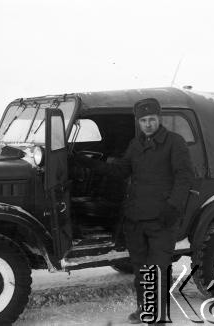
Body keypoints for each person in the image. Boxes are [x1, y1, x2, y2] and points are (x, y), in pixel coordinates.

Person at [76, 98, 194, 323]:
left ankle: (156, 316)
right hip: (136, 219)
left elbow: (185, 177)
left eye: (151, 119)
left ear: (159, 119)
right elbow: (121, 170)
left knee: (156, 269)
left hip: (161, 219)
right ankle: (144, 310)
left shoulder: (174, 142)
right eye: (143, 120)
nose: (148, 124)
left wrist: (173, 207)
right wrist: (89, 164)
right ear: (138, 122)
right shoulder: (136, 144)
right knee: (141, 270)